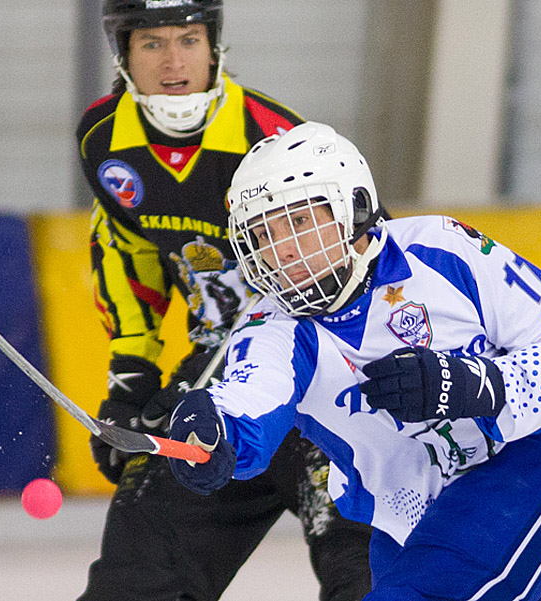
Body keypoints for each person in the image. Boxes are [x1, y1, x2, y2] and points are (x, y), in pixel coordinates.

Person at [166, 121, 541, 601]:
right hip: (412, 515)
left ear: (352, 208)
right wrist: (212, 431)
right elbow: (249, 403)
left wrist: (476, 385)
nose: (283, 250)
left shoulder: (439, 248)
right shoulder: (269, 328)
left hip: (532, 459)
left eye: (298, 221)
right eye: (263, 232)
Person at [75, 2, 373, 600]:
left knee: (370, 579)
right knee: (136, 581)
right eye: (152, 43)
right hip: (218, 386)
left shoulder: (275, 135)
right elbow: (126, 252)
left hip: (328, 379)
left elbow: (369, 251)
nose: (174, 61)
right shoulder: (103, 139)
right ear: (124, 56)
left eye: (189, 39)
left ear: (215, 47)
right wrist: (131, 376)